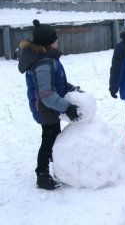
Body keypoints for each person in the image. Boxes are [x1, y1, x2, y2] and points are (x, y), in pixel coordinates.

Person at [18, 19, 81, 190]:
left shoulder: (46, 58)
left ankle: (58, 166)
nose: (57, 40)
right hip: (46, 108)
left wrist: (71, 88)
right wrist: (66, 107)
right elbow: (46, 94)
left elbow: (55, 83)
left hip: (50, 106)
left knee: (53, 137)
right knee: (49, 139)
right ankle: (42, 175)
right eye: (55, 38)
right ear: (48, 42)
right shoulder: (42, 63)